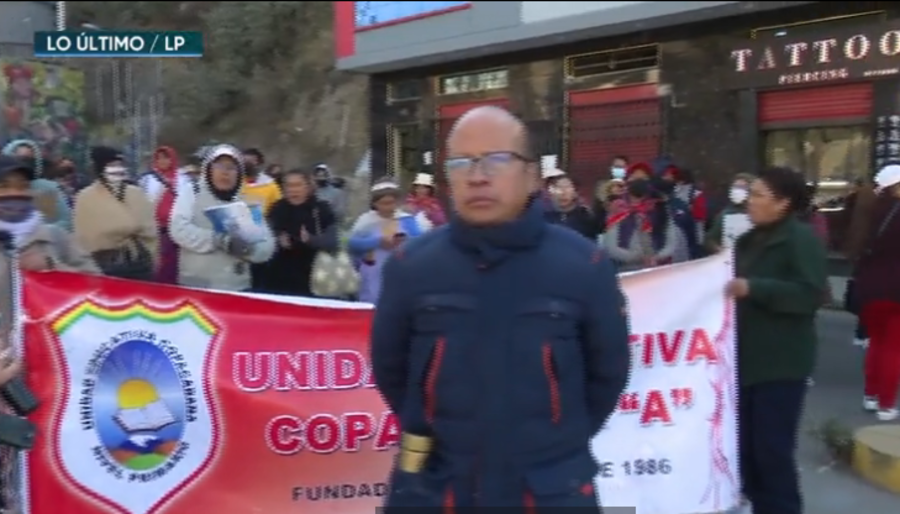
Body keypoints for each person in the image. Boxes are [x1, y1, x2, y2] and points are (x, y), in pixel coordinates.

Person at [371, 106, 630, 509]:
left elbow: (607, 374)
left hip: (549, 489)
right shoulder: (413, 266)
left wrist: (552, 440)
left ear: (530, 176)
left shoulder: (583, 265)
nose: (477, 176)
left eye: (496, 160)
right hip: (435, 486)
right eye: (461, 163)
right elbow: (391, 370)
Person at [727, 166, 827, 514]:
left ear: (783, 203)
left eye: (758, 195)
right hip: (743, 361)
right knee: (746, 450)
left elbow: (811, 294)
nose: (749, 202)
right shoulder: (746, 241)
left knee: (772, 452)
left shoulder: (800, 240)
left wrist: (755, 288)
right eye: (749, 194)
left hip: (781, 363)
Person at [0, 156, 97, 514]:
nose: (14, 194)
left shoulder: (54, 236)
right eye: (4, 187)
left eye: (21, 187)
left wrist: (53, 271)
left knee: (52, 458)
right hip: (4, 379)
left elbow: (97, 288)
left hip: (55, 372)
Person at [170, 144, 275, 291]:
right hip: (197, 284)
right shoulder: (192, 192)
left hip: (236, 285)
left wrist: (248, 249)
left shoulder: (247, 202)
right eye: (219, 166)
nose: (225, 173)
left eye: (231, 168)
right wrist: (219, 240)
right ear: (209, 169)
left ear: (239, 173)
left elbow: (267, 247)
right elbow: (178, 229)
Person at [854, 164, 900, 421]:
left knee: (876, 343)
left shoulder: (867, 212)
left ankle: (870, 395)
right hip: (896, 289)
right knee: (893, 348)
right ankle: (886, 404)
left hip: (869, 288)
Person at [73, 147, 158, 281]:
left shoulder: (136, 193)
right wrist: (126, 228)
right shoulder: (85, 197)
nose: (117, 169)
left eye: (120, 165)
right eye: (112, 165)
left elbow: (150, 230)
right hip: (104, 266)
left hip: (139, 263)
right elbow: (85, 237)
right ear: (100, 168)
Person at [348, 180, 430, 303]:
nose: (388, 207)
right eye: (383, 203)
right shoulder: (365, 221)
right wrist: (377, 241)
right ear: (375, 203)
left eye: (391, 203)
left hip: (400, 271)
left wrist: (405, 240)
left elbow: (421, 242)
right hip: (373, 274)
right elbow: (352, 244)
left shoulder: (406, 219)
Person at [266, 169, 338, 296]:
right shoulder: (276, 209)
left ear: (307, 187)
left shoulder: (321, 208)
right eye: (289, 185)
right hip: (279, 277)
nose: (293, 190)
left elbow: (333, 242)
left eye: (298, 185)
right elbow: (265, 238)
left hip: (314, 275)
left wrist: (311, 240)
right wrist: (278, 239)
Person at [604, 162, 679, 271]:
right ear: (627, 181)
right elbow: (610, 246)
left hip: (657, 270)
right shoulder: (617, 207)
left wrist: (657, 257)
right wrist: (636, 258)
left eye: (644, 178)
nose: (639, 182)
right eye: (634, 177)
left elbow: (671, 242)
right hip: (625, 270)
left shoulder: (660, 207)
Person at [2, 139, 71, 231]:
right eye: (19, 157)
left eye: (29, 158)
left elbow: (65, 221)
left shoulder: (44, 189)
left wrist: (39, 232)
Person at [138, 146, 185, 284]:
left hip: (175, 231)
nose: (163, 161)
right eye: (159, 158)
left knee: (173, 267)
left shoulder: (183, 180)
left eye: (166, 157)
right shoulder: (147, 180)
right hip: (154, 230)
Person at [844, 176, 877, 347]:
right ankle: (865, 331)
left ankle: (863, 332)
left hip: (866, 254)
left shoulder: (864, 199)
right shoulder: (877, 200)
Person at [705, 173, 755, 253]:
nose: (738, 190)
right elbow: (710, 239)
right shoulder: (725, 214)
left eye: (742, 187)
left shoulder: (759, 214)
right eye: (735, 187)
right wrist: (720, 251)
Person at [545, 175, 597, 240]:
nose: (563, 193)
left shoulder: (585, 217)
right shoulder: (544, 218)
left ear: (575, 193)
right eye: (558, 188)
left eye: (567, 188)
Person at [241, 148, 282, 214]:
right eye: (244, 162)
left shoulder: (270, 186)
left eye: (250, 162)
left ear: (259, 163)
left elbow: (278, 211)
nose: (246, 165)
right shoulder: (234, 184)